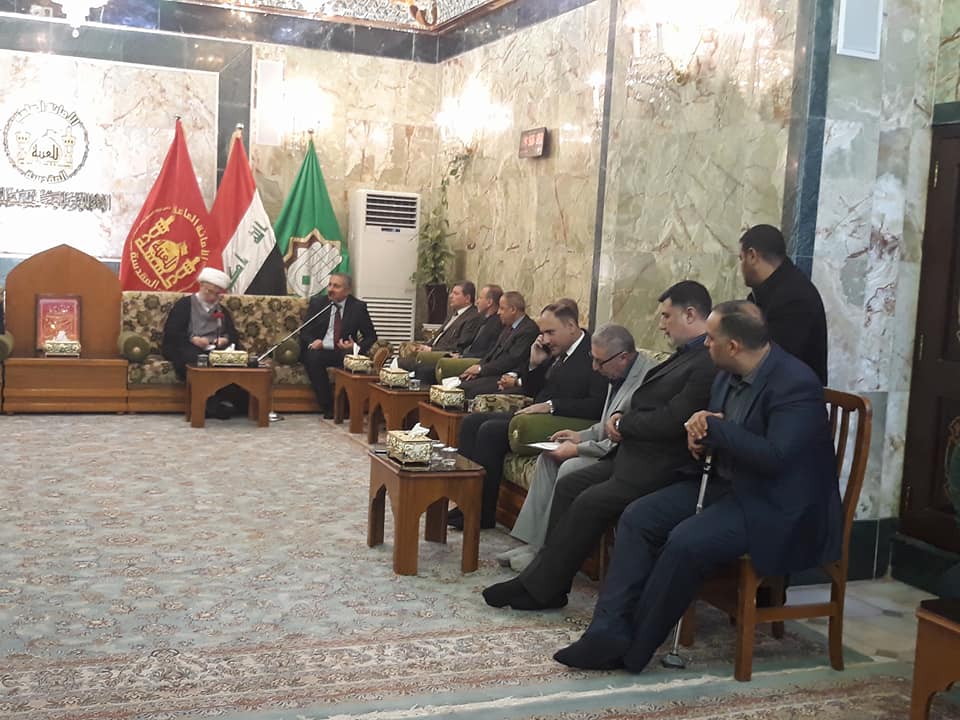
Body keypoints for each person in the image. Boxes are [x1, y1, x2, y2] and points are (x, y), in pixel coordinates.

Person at [553, 300, 841, 672]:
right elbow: (715, 427)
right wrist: (700, 432)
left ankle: (634, 649)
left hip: (773, 503)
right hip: (724, 483)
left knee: (685, 541)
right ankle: (606, 633)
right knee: (638, 516)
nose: (704, 344)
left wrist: (717, 429)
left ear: (733, 346)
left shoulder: (795, 384)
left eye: (711, 338)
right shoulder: (725, 373)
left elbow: (776, 458)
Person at [482, 281, 716, 611]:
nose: (661, 324)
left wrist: (623, 424)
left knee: (589, 500)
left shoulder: (705, 362)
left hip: (657, 466)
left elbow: (673, 419)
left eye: (666, 316)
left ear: (690, 314)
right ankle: (547, 581)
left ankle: (540, 586)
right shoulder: (683, 357)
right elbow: (646, 405)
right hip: (631, 454)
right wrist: (618, 419)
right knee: (570, 485)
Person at [496, 324, 657, 572]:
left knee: (570, 467)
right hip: (602, 447)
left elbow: (622, 438)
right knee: (548, 458)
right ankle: (533, 544)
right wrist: (579, 436)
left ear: (623, 357)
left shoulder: (647, 379)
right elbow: (605, 426)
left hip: (622, 459)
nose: (594, 368)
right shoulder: (616, 371)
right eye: (593, 359)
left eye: (599, 362)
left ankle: (549, 553)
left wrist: (579, 449)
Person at [452, 301, 607, 530]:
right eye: (543, 333)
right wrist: (534, 365)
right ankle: (465, 501)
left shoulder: (593, 353)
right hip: (538, 416)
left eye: (550, 332)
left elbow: (597, 405)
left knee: (490, 431)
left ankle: (481, 513)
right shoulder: (556, 350)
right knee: (471, 422)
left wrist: (551, 406)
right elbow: (533, 391)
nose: (545, 339)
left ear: (571, 326)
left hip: (567, 422)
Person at [738, 224, 828, 384]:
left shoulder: (796, 297)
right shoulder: (765, 291)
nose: (741, 267)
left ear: (752, 256)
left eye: (741, 258)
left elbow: (771, 361)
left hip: (792, 393)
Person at [161, 267, 244, 419]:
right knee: (194, 358)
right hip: (188, 346)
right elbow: (172, 332)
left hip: (215, 349)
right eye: (209, 292)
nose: (212, 297)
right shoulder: (184, 305)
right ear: (201, 286)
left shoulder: (222, 310)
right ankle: (210, 404)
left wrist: (225, 340)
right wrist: (193, 339)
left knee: (231, 360)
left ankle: (230, 402)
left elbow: (232, 334)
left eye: (216, 294)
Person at [300, 272, 377, 418]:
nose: (330, 289)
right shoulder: (318, 303)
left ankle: (346, 407)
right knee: (312, 357)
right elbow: (305, 332)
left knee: (354, 360)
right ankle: (329, 407)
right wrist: (313, 341)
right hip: (321, 350)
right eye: (330, 285)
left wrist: (355, 346)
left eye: (336, 286)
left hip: (343, 351)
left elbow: (371, 336)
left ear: (347, 291)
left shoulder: (358, 307)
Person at [458, 291, 539, 398]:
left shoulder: (528, 330)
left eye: (502, 308)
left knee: (467, 390)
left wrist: (481, 369)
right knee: (460, 384)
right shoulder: (508, 327)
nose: (498, 312)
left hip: (506, 376)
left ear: (513, 309)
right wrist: (477, 368)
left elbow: (511, 360)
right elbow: (492, 353)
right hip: (493, 372)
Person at [405, 282, 483, 381]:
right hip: (432, 353)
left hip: (444, 358)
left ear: (467, 298)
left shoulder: (473, 317)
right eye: (451, 293)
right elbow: (437, 336)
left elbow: (459, 346)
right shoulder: (452, 315)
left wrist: (432, 350)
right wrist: (424, 346)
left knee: (403, 364)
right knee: (404, 357)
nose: (451, 296)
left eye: (456, 293)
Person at [461, 284, 504, 359]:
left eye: (480, 298)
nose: (477, 302)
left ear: (489, 302)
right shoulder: (482, 320)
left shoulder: (497, 324)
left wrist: (463, 357)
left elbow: (487, 353)